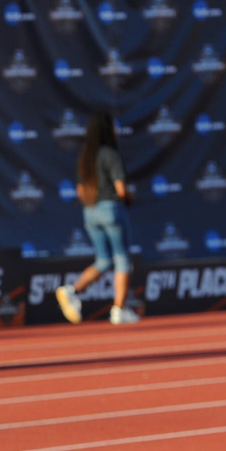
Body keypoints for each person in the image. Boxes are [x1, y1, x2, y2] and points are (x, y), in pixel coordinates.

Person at [56, 111, 139, 325]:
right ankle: (119, 309)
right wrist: (130, 197)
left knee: (103, 260)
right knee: (121, 258)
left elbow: (80, 191)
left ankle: (72, 290)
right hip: (111, 209)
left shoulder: (86, 155)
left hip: (90, 211)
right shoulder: (109, 153)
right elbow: (120, 190)